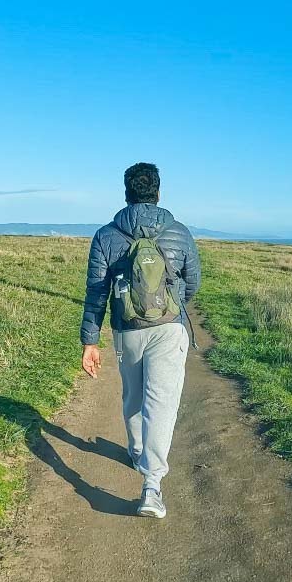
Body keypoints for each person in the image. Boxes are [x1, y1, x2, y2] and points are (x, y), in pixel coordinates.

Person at [80, 162, 200, 519]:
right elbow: (192, 282)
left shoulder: (105, 235)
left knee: (133, 394)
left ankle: (136, 450)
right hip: (169, 328)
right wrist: (172, 304)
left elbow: (96, 292)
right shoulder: (179, 232)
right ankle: (152, 487)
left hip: (126, 329)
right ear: (158, 192)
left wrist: (90, 341)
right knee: (160, 404)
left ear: (127, 193)